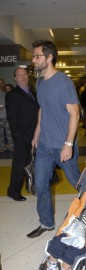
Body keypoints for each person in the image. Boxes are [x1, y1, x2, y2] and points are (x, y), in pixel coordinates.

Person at [27, 40, 81, 238]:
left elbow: (74, 113)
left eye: (37, 56)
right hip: (44, 145)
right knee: (40, 185)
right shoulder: (40, 81)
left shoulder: (64, 82)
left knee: (77, 182)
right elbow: (43, 109)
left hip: (62, 144)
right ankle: (46, 223)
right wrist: (36, 133)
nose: (33, 60)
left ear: (49, 58)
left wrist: (68, 144)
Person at [5, 67, 39, 201]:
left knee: (31, 163)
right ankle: (13, 191)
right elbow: (12, 118)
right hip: (22, 137)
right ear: (15, 78)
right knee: (20, 165)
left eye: (24, 74)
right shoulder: (13, 94)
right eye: (19, 75)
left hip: (35, 135)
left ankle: (30, 187)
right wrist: (17, 137)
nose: (23, 77)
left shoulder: (33, 93)